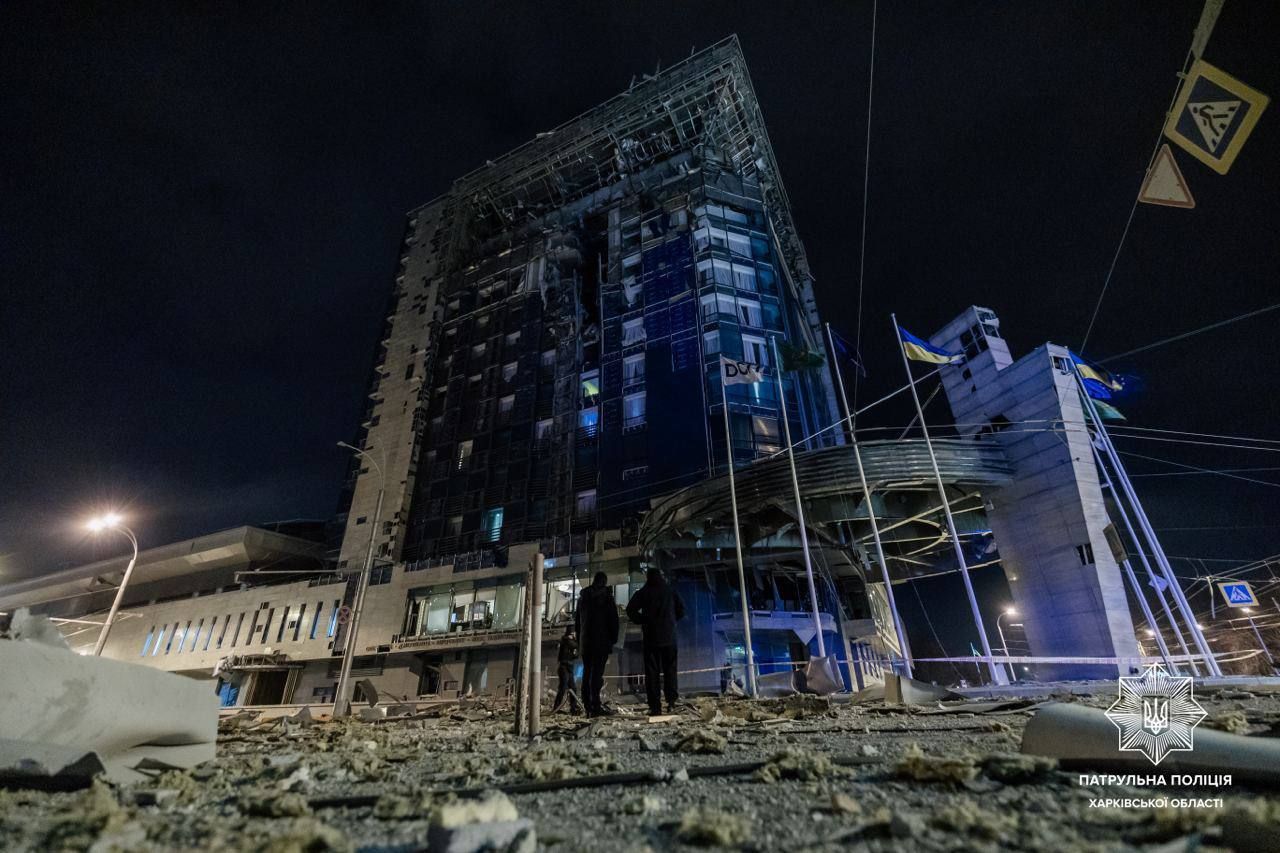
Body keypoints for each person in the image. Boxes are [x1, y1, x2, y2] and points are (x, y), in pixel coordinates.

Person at [625, 568, 686, 716]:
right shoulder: (670, 591)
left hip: (651, 638)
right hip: (669, 637)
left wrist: (642, 620)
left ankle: (655, 706)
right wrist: (671, 622)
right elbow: (682, 610)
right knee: (670, 671)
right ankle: (671, 702)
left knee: (652, 673)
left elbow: (630, 610)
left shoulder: (644, 592)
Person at [576, 571, 619, 717]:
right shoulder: (606, 597)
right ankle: (595, 704)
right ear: (604, 581)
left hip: (586, 642)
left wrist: (579, 641)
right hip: (601, 642)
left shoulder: (583, 598)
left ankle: (587, 705)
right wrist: (613, 639)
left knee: (587, 672)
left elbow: (578, 623)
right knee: (597, 674)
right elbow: (613, 620)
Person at [553, 626, 580, 714]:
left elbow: (576, 656)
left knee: (573, 688)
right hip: (564, 667)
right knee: (563, 687)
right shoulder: (565, 640)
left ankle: (573, 708)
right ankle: (556, 708)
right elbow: (574, 645)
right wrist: (577, 640)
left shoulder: (570, 642)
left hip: (569, 667)